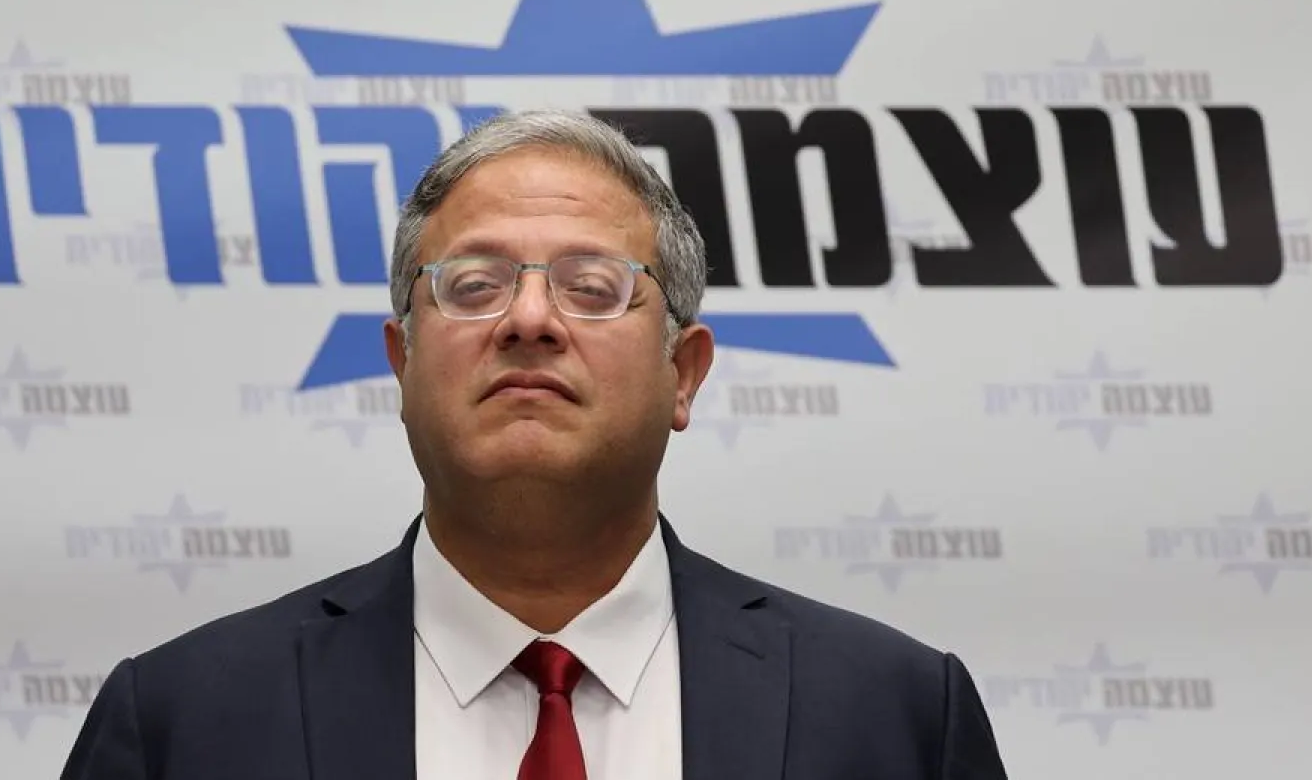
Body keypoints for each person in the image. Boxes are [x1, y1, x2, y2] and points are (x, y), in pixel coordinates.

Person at [60, 107, 1009, 779]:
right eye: (472, 284)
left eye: (592, 285)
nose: (528, 319)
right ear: (400, 361)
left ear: (684, 372)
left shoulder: (896, 717)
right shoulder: (186, 724)